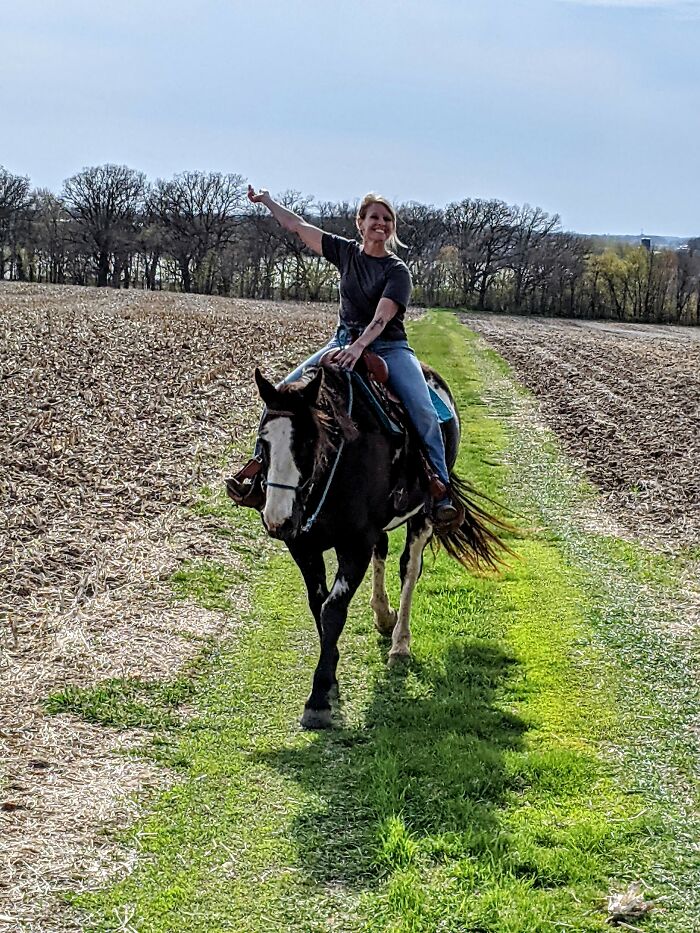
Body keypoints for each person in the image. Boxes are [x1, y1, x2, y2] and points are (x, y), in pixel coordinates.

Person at [228, 185, 459, 526]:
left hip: (389, 348)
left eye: (386, 219)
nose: (380, 224)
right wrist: (266, 201)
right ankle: (258, 472)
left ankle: (441, 488)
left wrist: (358, 348)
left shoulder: (397, 271)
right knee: (279, 396)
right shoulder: (346, 253)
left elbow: (382, 317)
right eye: (374, 218)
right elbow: (298, 226)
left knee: (424, 411)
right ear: (360, 223)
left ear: (391, 227)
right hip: (341, 341)